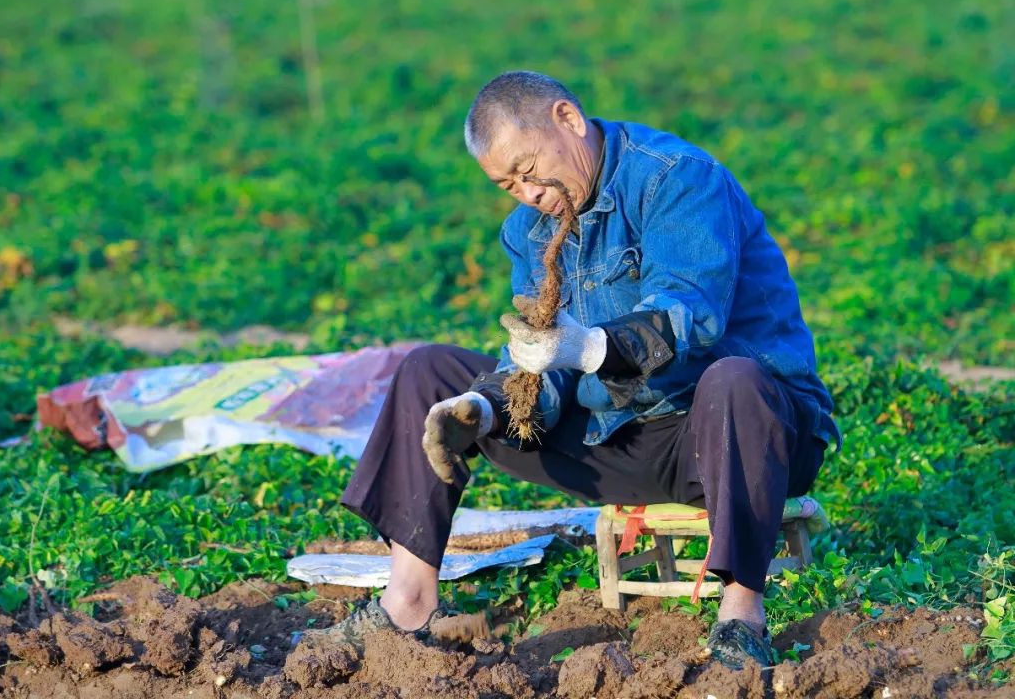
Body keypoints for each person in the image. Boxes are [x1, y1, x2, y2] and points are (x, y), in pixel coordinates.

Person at [299, 70, 840, 669]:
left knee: (734, 377)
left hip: (736, 437)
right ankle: (407, 602)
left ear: (568, 120)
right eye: (508, 185)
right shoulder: (527, 231)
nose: (527, 193)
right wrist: (484, 409)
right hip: (619, 436)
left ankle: (741, 618)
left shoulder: (676, 178)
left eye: (528, 171)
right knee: (429, 372)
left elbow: (693, 316)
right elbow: (542, 367)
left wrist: (588, 349)